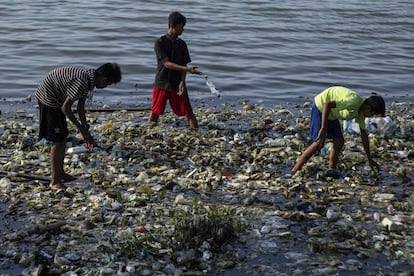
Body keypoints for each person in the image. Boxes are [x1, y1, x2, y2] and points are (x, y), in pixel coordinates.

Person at [35, 63, 122, 191]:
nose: (105, 87)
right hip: (49, 98)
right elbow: (66, 108)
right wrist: (81, 130)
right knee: (58, 141)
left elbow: (80, 107)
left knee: (63, 137)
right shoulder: (82, 81)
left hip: (57, 98)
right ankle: (54, 181)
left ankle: (61, 174)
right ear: (104, 78)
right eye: (107, 84)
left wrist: (85, 129)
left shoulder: (89, 79)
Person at [291, 86, 385, 178]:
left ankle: (331, 170)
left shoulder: (360, 113)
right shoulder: (353, 101)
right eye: (372, 114)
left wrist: (370, 159)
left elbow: (364, 135)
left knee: (339, 141)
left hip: (332, 114)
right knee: (319, 142)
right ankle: (295, 170)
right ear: (368, 108)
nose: (370, 117)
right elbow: (327, 105)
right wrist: (323, 128)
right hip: (321, 107)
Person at [148, 11, 202, 129]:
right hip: (162, 82)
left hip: (177, 83)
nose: (182, 30)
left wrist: (182, 81)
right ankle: (149, 133)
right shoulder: (160, 42)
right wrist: (187, 69)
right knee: (155, 111)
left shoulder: (182, 44)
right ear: (172, 26)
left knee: (188, 112)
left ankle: (195, 133)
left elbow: (184, 62)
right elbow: (166, 63)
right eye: (181, 27)